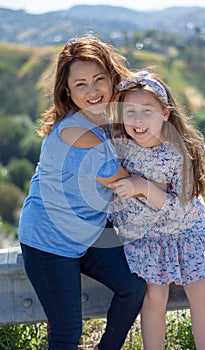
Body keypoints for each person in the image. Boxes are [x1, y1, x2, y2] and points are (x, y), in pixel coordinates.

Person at [18, 36, 146, 350]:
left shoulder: (109, 121)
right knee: (67, 335)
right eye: (81, 84)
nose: (92, 91)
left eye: (99, 79)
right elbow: (126, 184)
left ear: (112, 78)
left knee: (133, 287)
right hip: (49, 240)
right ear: (67, 91)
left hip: (89, 231)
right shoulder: (78, 133)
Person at [108, 70, 205, 350]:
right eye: (130, 111)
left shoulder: (178, 152)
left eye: (147, 111)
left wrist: (142, 186)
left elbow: (181, 210)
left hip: (186, 232)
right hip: (148, 238)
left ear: (165, 114)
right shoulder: (120, 149)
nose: (138, 120)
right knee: (153, 296)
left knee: (200, 291)